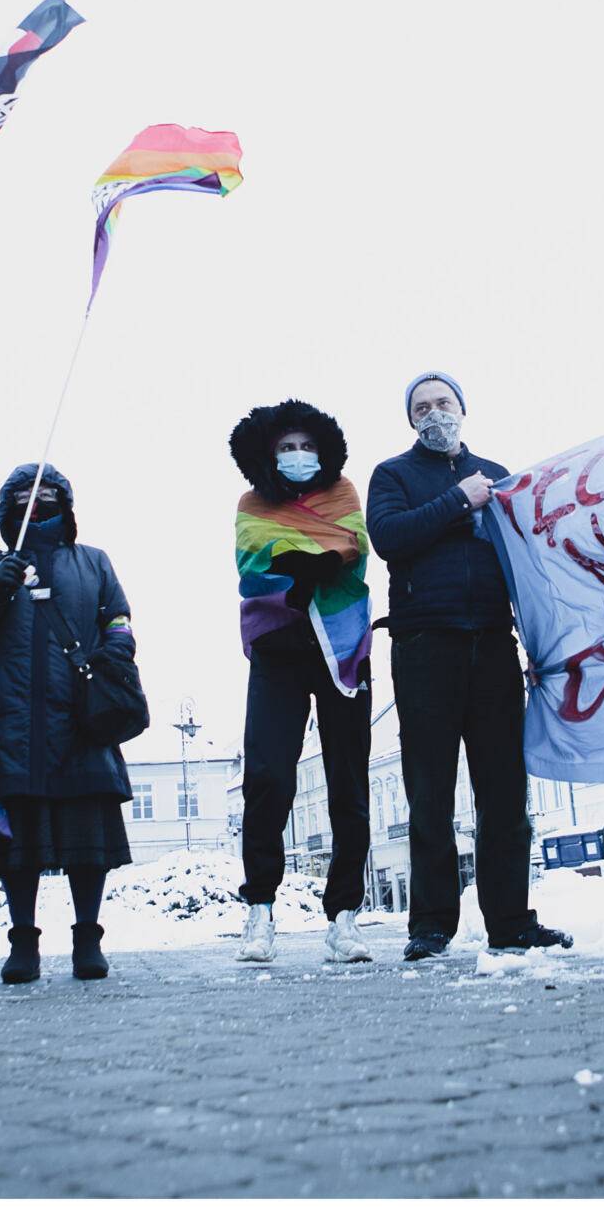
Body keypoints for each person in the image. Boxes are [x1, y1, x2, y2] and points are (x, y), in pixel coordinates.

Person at [365, 372, 568, 962]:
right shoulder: (393, 476)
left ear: (463, 409)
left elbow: (523, 562)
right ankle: (430, 926)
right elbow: (388, 536)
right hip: (425, 645)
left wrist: (536, 641)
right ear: (410, 420)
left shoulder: (498, 475)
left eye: (443, 403)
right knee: (429, 789)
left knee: (504, 791)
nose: (434, 414)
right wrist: (460, 501)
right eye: (422, 407)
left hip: (493, 645)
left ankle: (510, 922)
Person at [0, 464, 137, 985]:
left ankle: (87, 938)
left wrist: (116, 645)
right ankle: (23, 943)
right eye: (27, 495)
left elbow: (118, 616)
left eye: (50, 493)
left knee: (85, 836)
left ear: (67, 503)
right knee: (20, 842)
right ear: (7, 506)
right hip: (13, 723)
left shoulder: (92, 561)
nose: (40, 501)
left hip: (81, 716)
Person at [227, 400, 375, 965]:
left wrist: (299, 556)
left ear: (323, 449)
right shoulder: (251, 503)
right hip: (277, 649)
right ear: (269, 455)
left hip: (342, 647)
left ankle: (344, 917)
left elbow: (352, 551)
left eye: (304, 446)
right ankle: (260, 909)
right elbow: (251, 565)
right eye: (285, 448)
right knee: (267, 776)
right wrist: (310, 557)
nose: (296, 456)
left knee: (347, 782)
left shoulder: (344, 493)